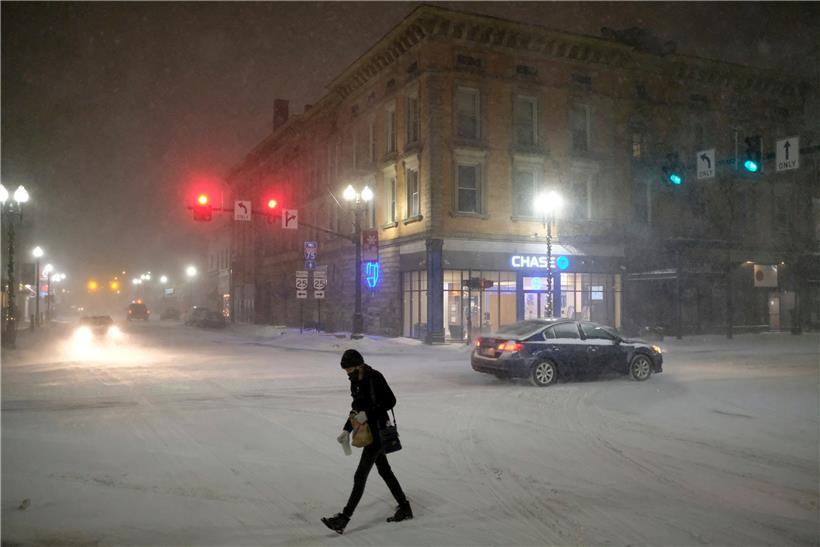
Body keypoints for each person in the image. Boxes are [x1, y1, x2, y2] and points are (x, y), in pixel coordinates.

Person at [321, 349, 412, 534]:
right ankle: (404, 507)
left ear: (359, 365)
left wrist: (368, 413)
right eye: (346, 370)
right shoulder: (354, 382)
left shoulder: (375, 377)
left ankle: (344, 518)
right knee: (384, 471)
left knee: (360, 475)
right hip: (369, 432)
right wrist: (346, 430)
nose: (347, 373)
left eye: (349, 369)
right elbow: (356, 409)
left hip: (378, 431)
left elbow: (390, 401)